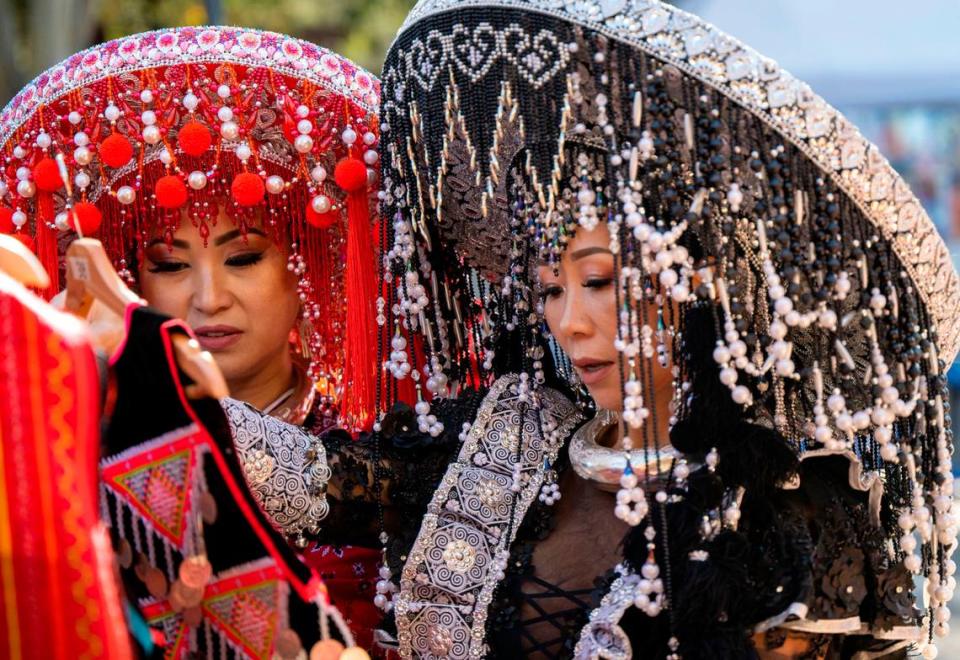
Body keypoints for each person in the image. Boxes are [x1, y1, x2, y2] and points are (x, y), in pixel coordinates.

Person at [373, 0, 960, 658]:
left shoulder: (786, 509)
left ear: (696, 277)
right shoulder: (504, 452)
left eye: (596, 281)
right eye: (548, 290)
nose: (568, 323)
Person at [0, 25, 384, 653]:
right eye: (171, 265)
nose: (208, 299)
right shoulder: (79, 446)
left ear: (307, 265)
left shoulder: (382, 452)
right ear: (131, 278)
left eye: (244, 258)